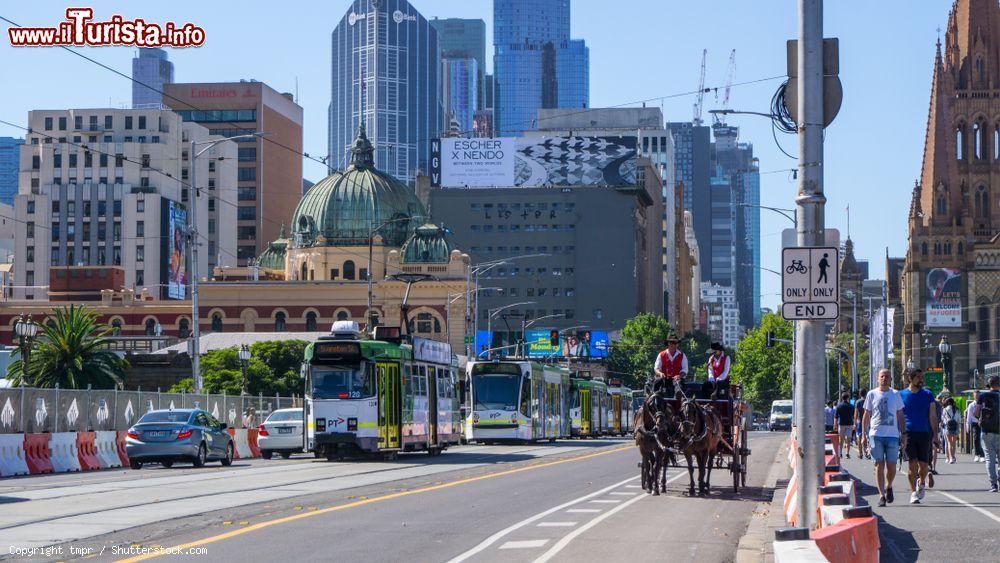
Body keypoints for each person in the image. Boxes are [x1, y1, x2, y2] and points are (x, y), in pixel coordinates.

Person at [862, 369, 905, 507]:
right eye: (882, 376)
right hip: (876, 434)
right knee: (879, 464)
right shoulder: (871, 394)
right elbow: (866, 415)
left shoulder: (895, 394)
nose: (884, 378)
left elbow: (900, 415)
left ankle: (889, 486)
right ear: (878, 379)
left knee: (891, 465)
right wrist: (863, 435)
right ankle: (881, 495)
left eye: (887, 376)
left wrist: (903, 434)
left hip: (892, 435)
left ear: (891, 379)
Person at [899, 368, 938, 504]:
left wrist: (935, 435)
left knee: (923, 465)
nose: (921, 380)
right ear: (910, 378)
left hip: (924, 433)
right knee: (912, 464)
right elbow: (898, 415)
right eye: (919, 377)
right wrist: (900, 433)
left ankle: (921, 483)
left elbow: (932, 416)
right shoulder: (901, 394)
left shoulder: (928, 395)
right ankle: (913, 493)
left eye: (922, 377)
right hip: (908, 433)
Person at [974, 375, 1000, 491]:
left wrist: (980, 418)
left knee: (989, 459)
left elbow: (976, 413)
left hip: (986, 431)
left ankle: (993, 484)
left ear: (988, 385)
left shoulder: (983, 396)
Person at [835, 393, 855, 459]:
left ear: (842, 397)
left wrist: (835, 425)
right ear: (848, 398)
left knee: (841, 439)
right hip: (849, 424)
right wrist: (854, 424)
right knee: (848, 439)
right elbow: (854, 416)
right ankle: (847, 453)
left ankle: (840, 453)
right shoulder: (851, 406)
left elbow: (836, 417)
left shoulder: (839, 406)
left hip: (841, 424)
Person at [967, 391, 985, 463]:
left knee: (983, 439)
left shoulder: (983, 404)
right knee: (976, 438)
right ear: (973, 396)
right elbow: (969, 416)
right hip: (975, 423)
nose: (977, 397)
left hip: (983, 423)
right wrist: (968, 425)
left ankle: (982, 455)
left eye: (978, 395)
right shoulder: (971, 405)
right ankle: (977, 455)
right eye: (976, 395)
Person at [941, 397, 959, 464]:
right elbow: (958, 419)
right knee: (954, 443)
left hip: (947, 427)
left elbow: (942, 419)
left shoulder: (945, 409)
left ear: (947, 402)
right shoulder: (956, 409)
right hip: (955, 427)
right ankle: (953, 457)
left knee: (949, 442)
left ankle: (949, 458)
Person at [855, 389, 869, 459]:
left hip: (860, 421)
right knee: (867, 436)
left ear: (860, 394)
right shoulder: (868, 400)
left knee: (859, 436)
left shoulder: (858, 402)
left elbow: (856, 413)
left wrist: (854, 422)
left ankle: (860, 453)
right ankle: (866, 452)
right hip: (868, 421)